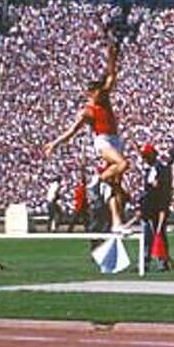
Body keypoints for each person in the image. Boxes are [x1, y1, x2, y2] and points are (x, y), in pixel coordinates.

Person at [43, 41, 130, 230]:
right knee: (123, 164)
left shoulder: (105, 98)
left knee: (115, 186)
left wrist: (111, 57)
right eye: (97, 92)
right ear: (91, 93)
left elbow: (112, 76)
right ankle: (99, 179)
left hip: (116, 140)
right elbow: (72, 131)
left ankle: (117, 222)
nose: (101, 94)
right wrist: (54, 144)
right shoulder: (87, 111)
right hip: (103, 141)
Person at [137, 143, 174, 271]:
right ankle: (145, 262)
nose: (145, 159)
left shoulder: (161, 170)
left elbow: (163, 192)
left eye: (147, 156)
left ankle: (162, 261)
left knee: (159, 234)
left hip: (158, 207)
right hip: (147, 209)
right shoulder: (148, 171)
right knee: (146, 236)